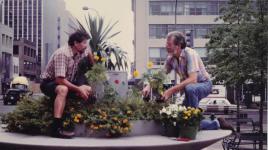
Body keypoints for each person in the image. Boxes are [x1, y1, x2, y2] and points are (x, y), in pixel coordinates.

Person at [40, 30, 95, 138]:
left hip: (66, 81)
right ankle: (56, 129)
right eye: (84, 42)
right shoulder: (63, 53)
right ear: (75, 43)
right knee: (63, 89)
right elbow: (60, 80)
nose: (86, 45)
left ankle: (83, 121)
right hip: (50, 83)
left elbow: (88, 51)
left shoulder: (79, 51)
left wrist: (94, 66)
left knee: (88, 89)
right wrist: (79, 89)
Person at [142, 31, 212, 108]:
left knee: (190, 89)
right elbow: (161, 75)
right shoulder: (170, 59)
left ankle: (194, 117)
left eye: (169, 44)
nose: (166, 46)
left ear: (178, 45)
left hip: (204, 84)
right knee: (181, 111)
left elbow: (193, 79)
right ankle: (214, 120)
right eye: (166, 44)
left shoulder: (190, 54)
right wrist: (149, 86)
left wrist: (171, 91)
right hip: (189, 88)